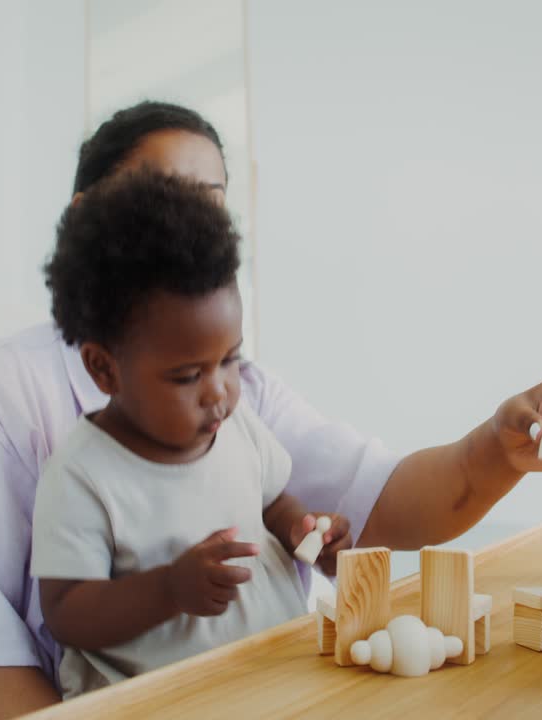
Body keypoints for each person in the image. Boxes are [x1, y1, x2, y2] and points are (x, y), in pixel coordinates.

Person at [0, 101, 542, 720]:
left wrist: (498, 447)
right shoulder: (5, 397)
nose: (187, 227)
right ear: (88, 223)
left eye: (210, 204)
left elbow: (388, 504)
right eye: (165, 195)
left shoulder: (238, 397)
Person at [32, 169, 345, 697]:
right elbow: (66, 612)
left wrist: (305, 533)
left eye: (230, 360)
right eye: (188, 375)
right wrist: (168, 589)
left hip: (276, 676)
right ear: (104, 370)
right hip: (164, 700)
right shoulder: (83, 474)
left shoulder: (235, 424)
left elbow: (271, 502)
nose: (218, 390)